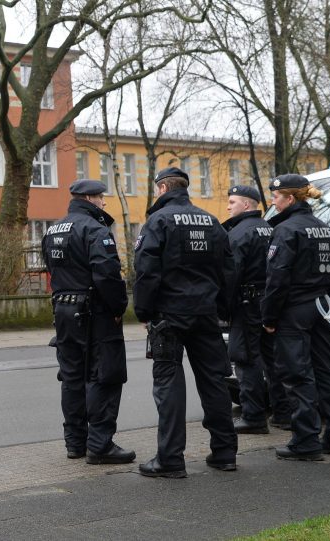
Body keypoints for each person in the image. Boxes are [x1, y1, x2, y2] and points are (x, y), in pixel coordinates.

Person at [133, 167, 238, 478]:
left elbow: (147, 271)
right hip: (206, 315)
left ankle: (169, 459)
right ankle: (224, 453)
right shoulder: (211, 221)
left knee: (168, 385)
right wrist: (221, 309)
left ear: (163, 188)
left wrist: (145, 312)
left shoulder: (158, 221)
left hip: (169, 316)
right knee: (214, 382)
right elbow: (228, 271)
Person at [41, 178, 136, 464]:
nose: (104, 203)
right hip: (95, 313)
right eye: (101, 198)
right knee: (104, 375)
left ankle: (75, 443)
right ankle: (100, 445)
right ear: (91, 199)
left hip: (63, 312)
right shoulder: (95, 230)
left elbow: (52, 270)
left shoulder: (54, 229)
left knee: (71, 378)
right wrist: (119, 306)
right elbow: (107, 274)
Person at [261, 174, 330, 461]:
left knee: (297, 374)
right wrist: (326, 303)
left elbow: (277, 279)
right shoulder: (326, 229)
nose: (273, 201)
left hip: (294, 311)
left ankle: (306, 441)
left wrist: (269, 316)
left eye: (275, 197)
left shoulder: (286, 231)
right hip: (322, 308)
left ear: (289, 198)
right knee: (327, 372)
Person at [222, 185, 292, 434]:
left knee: (245, 358)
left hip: (247, 303)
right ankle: (283, 413)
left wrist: (222, 308)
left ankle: (253, 417)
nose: (228, 206)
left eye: (232, 202)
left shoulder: (238, 233)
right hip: (270, 302)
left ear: (247, 205)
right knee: (273, 359)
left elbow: (230, 275)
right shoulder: (271, 228)